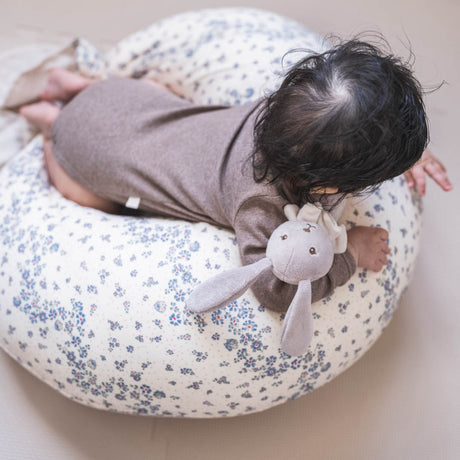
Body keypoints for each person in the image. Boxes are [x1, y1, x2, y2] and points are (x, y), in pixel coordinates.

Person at [19, 39, 452, 313]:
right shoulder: (259, 204)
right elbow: (274, 290)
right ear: (327, 186)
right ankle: (51, 128)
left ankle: (73, 88)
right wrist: (350, 253)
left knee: (161, 99)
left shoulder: (289, 110)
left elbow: (352, 128)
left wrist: (403, 151)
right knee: (92, 197)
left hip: (120, 98)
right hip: (88, 155)